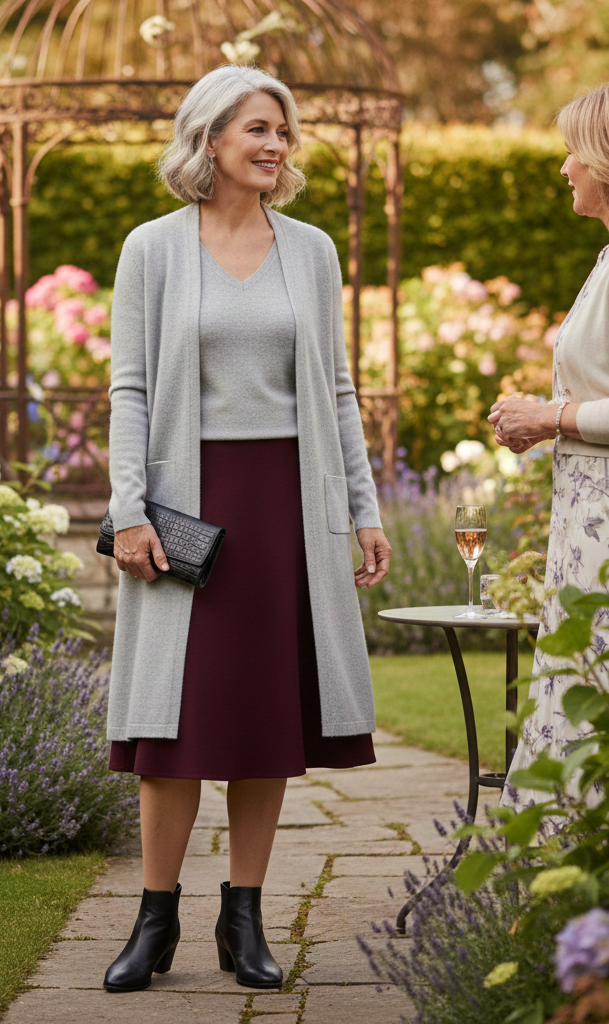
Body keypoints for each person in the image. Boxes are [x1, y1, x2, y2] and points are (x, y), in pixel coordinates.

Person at [102, 64, 391, 993]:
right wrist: (127, 510)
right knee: (175, 724)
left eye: (282, 132)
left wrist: (364, 507)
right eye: (257, 130)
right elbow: (131, 389)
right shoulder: (150, 248)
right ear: (210, 139)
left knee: (264, 719)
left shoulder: (311, 251)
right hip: (188, 503)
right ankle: (154, 923)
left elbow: (338, 388)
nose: (274, 146)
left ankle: (245, 918)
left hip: (286, 506)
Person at [490, 84, 609, 808]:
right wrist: (536, 420)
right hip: (584, 519)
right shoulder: (604, 260)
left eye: (574, 151)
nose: (565, 168)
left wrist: (552, 415)